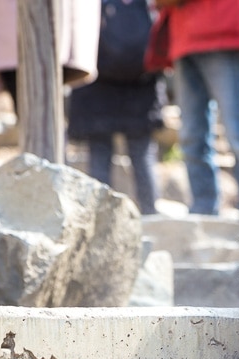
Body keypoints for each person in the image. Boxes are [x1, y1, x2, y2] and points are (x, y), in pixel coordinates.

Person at [151, 0, 239, 220]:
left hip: (225, 28)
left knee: (238, 134)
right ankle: (203, 207)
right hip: (184, 34)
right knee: (191, 134)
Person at [67, 0, 165, 215]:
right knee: (142, 154)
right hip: (142, 86)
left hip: (96, 87)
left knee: (100, 155)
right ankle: (151, 214)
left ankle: (99, 217)